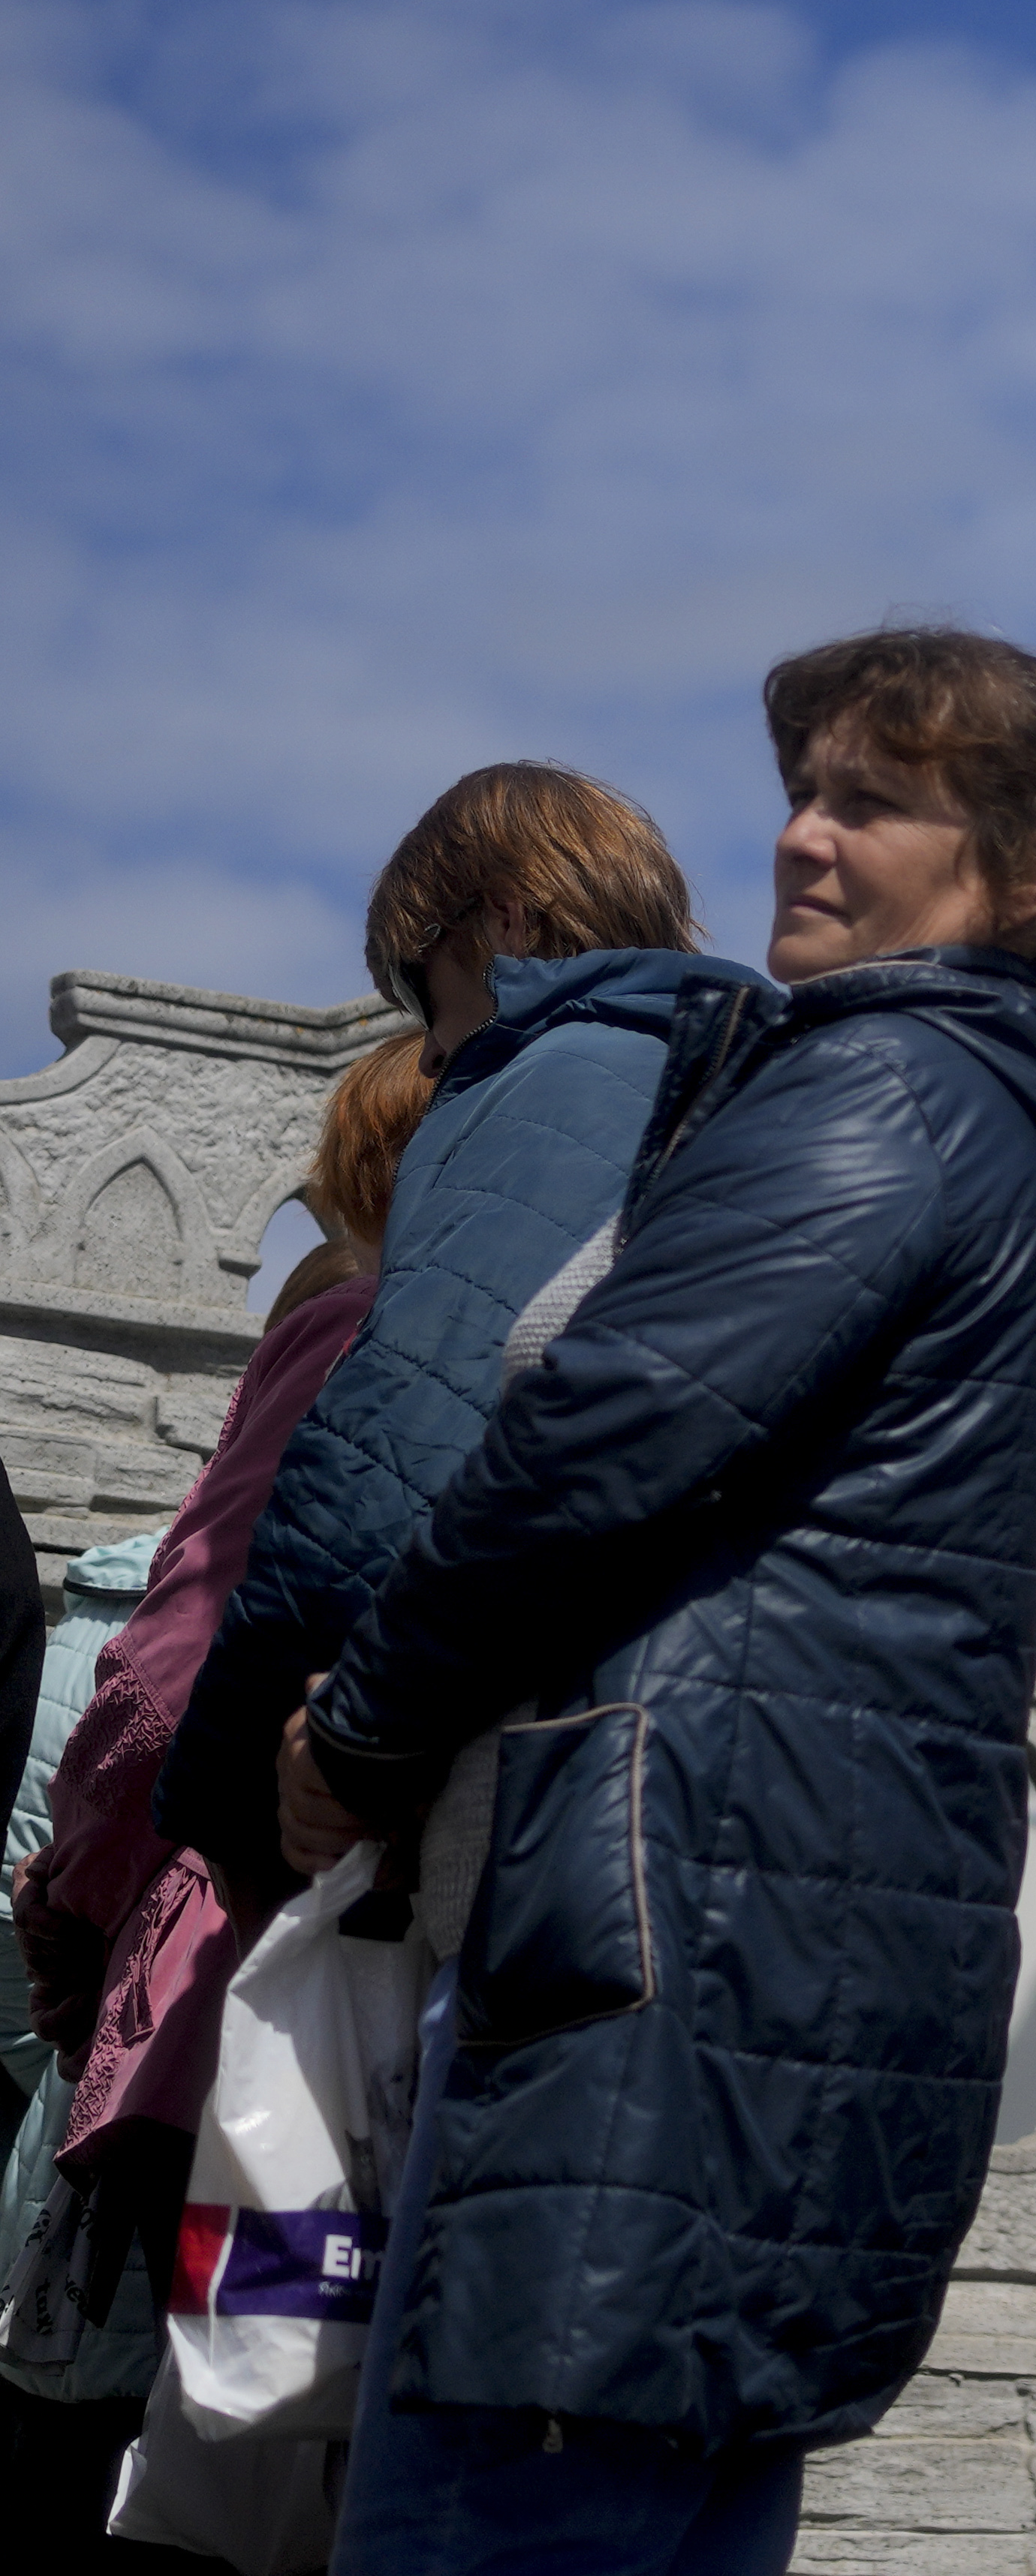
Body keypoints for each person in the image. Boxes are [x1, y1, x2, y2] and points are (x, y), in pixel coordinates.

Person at [235, 636, 1036, 2576]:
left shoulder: (883, 1085)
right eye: (803, 787)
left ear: (1026, 870)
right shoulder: (985, 1119)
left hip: (666, 1949)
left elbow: (597, 1438)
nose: (799, 831)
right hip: (788, 1960)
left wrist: (361, 1720)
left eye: (873, 802)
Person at [7, 1042, 426, 2576]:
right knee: (313, 2465)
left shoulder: (346, 1333)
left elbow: (169, 1688)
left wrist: (73, 1939)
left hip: (226, 2041)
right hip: (404, 2057)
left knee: (206, 2442)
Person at [155, 765, 730, 1904]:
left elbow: (400, 1451)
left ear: (505, 918)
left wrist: (223, 1796)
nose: (428, 1055)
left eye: (431, 997)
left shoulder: (555, 1076)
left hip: (536, 1803)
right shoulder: (749, 1080)